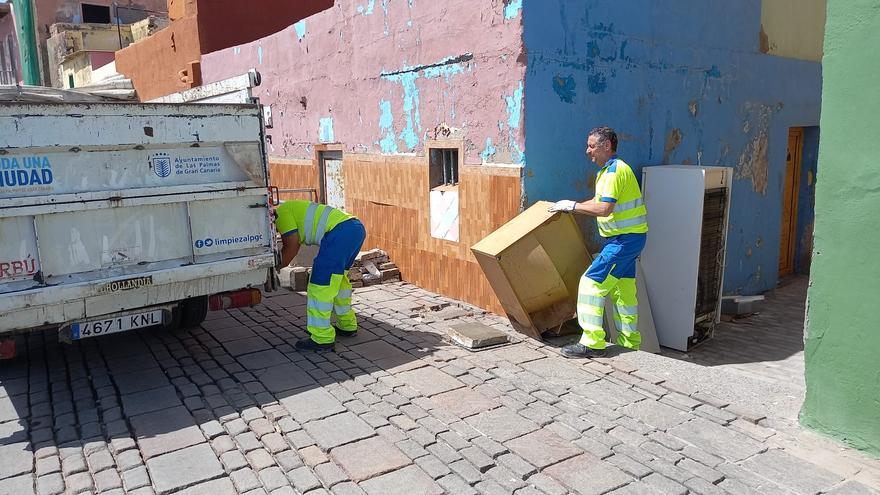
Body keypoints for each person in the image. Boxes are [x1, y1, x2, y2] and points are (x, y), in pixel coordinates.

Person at [549, 126, 649, 358]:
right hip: (628, 239)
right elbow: (597, 201)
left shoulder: (614, 171)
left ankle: (593, 342)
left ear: (606, 146)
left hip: (622, 241)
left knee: (590, 284)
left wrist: (572, 206)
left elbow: (603, 209)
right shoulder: (608, 171)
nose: (587, 151)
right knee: (623, 292)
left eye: (592, 146)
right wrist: (571, 207)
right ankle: (629, 342)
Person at [275, 200, 366, 352]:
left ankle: (322, 338)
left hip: (340, 232)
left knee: (320, 283)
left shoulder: (280, 214)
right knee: (338, 281)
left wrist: (274, 268)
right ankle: (347, 326)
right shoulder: (289, 207)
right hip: (355, 228)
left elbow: (292, 246)